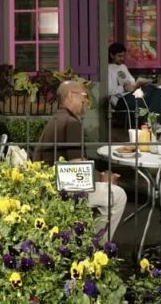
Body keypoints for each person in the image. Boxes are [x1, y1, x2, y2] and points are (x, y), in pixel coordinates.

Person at [34, 80, 127, 235]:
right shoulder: (71, 123)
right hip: (61, 190)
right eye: (84, 95)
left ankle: (90, 236)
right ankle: (98, 243)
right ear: (71, 95)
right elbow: (78, 169)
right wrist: (103, 178)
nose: (86, 101)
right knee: (118, 195)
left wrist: (100, 176)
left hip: (49, 185)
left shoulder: (58, 118)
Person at [107, 42, 161, 127]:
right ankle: (152, 123)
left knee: (156, 91)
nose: (122, 58)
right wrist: (123, 88)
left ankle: (151, 123)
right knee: (156, 97)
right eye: (119, 56)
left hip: (131, 95)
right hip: (120, 100)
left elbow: (132, 81)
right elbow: (108, 90)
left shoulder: (123, 67)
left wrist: (139, 83)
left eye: (123, 56)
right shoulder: (108, 69)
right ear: (112, 55)